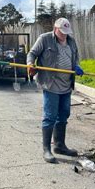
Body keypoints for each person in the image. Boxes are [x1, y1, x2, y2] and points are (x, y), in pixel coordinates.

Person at [27, 17, 84, 164]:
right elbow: (32, 54)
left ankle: (60, 145)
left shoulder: (71, 41)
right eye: (62, 32)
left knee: (64, 114)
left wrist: (77, 67)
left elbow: (75, 57)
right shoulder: (45, 39)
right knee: (50, 116)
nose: (64, 35)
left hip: (66, 85)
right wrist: (30, 64)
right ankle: (47, 149)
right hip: (51, 84)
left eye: (66, 32)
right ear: (55, 28)